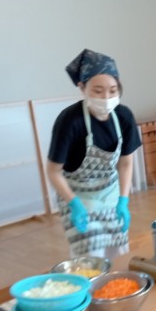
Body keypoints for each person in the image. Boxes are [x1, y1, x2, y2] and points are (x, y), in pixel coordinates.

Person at [46, 49, 141, 258]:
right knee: (91, 256)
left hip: (111, 195)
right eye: (98, 91)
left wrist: (123, 200)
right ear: (82, 87)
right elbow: (53, 171)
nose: (106, 97)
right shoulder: (70, 121)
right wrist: (74, 204)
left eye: (113, 90)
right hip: (79, 197)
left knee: (119, 252)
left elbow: (126, 163)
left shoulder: (123, 116)